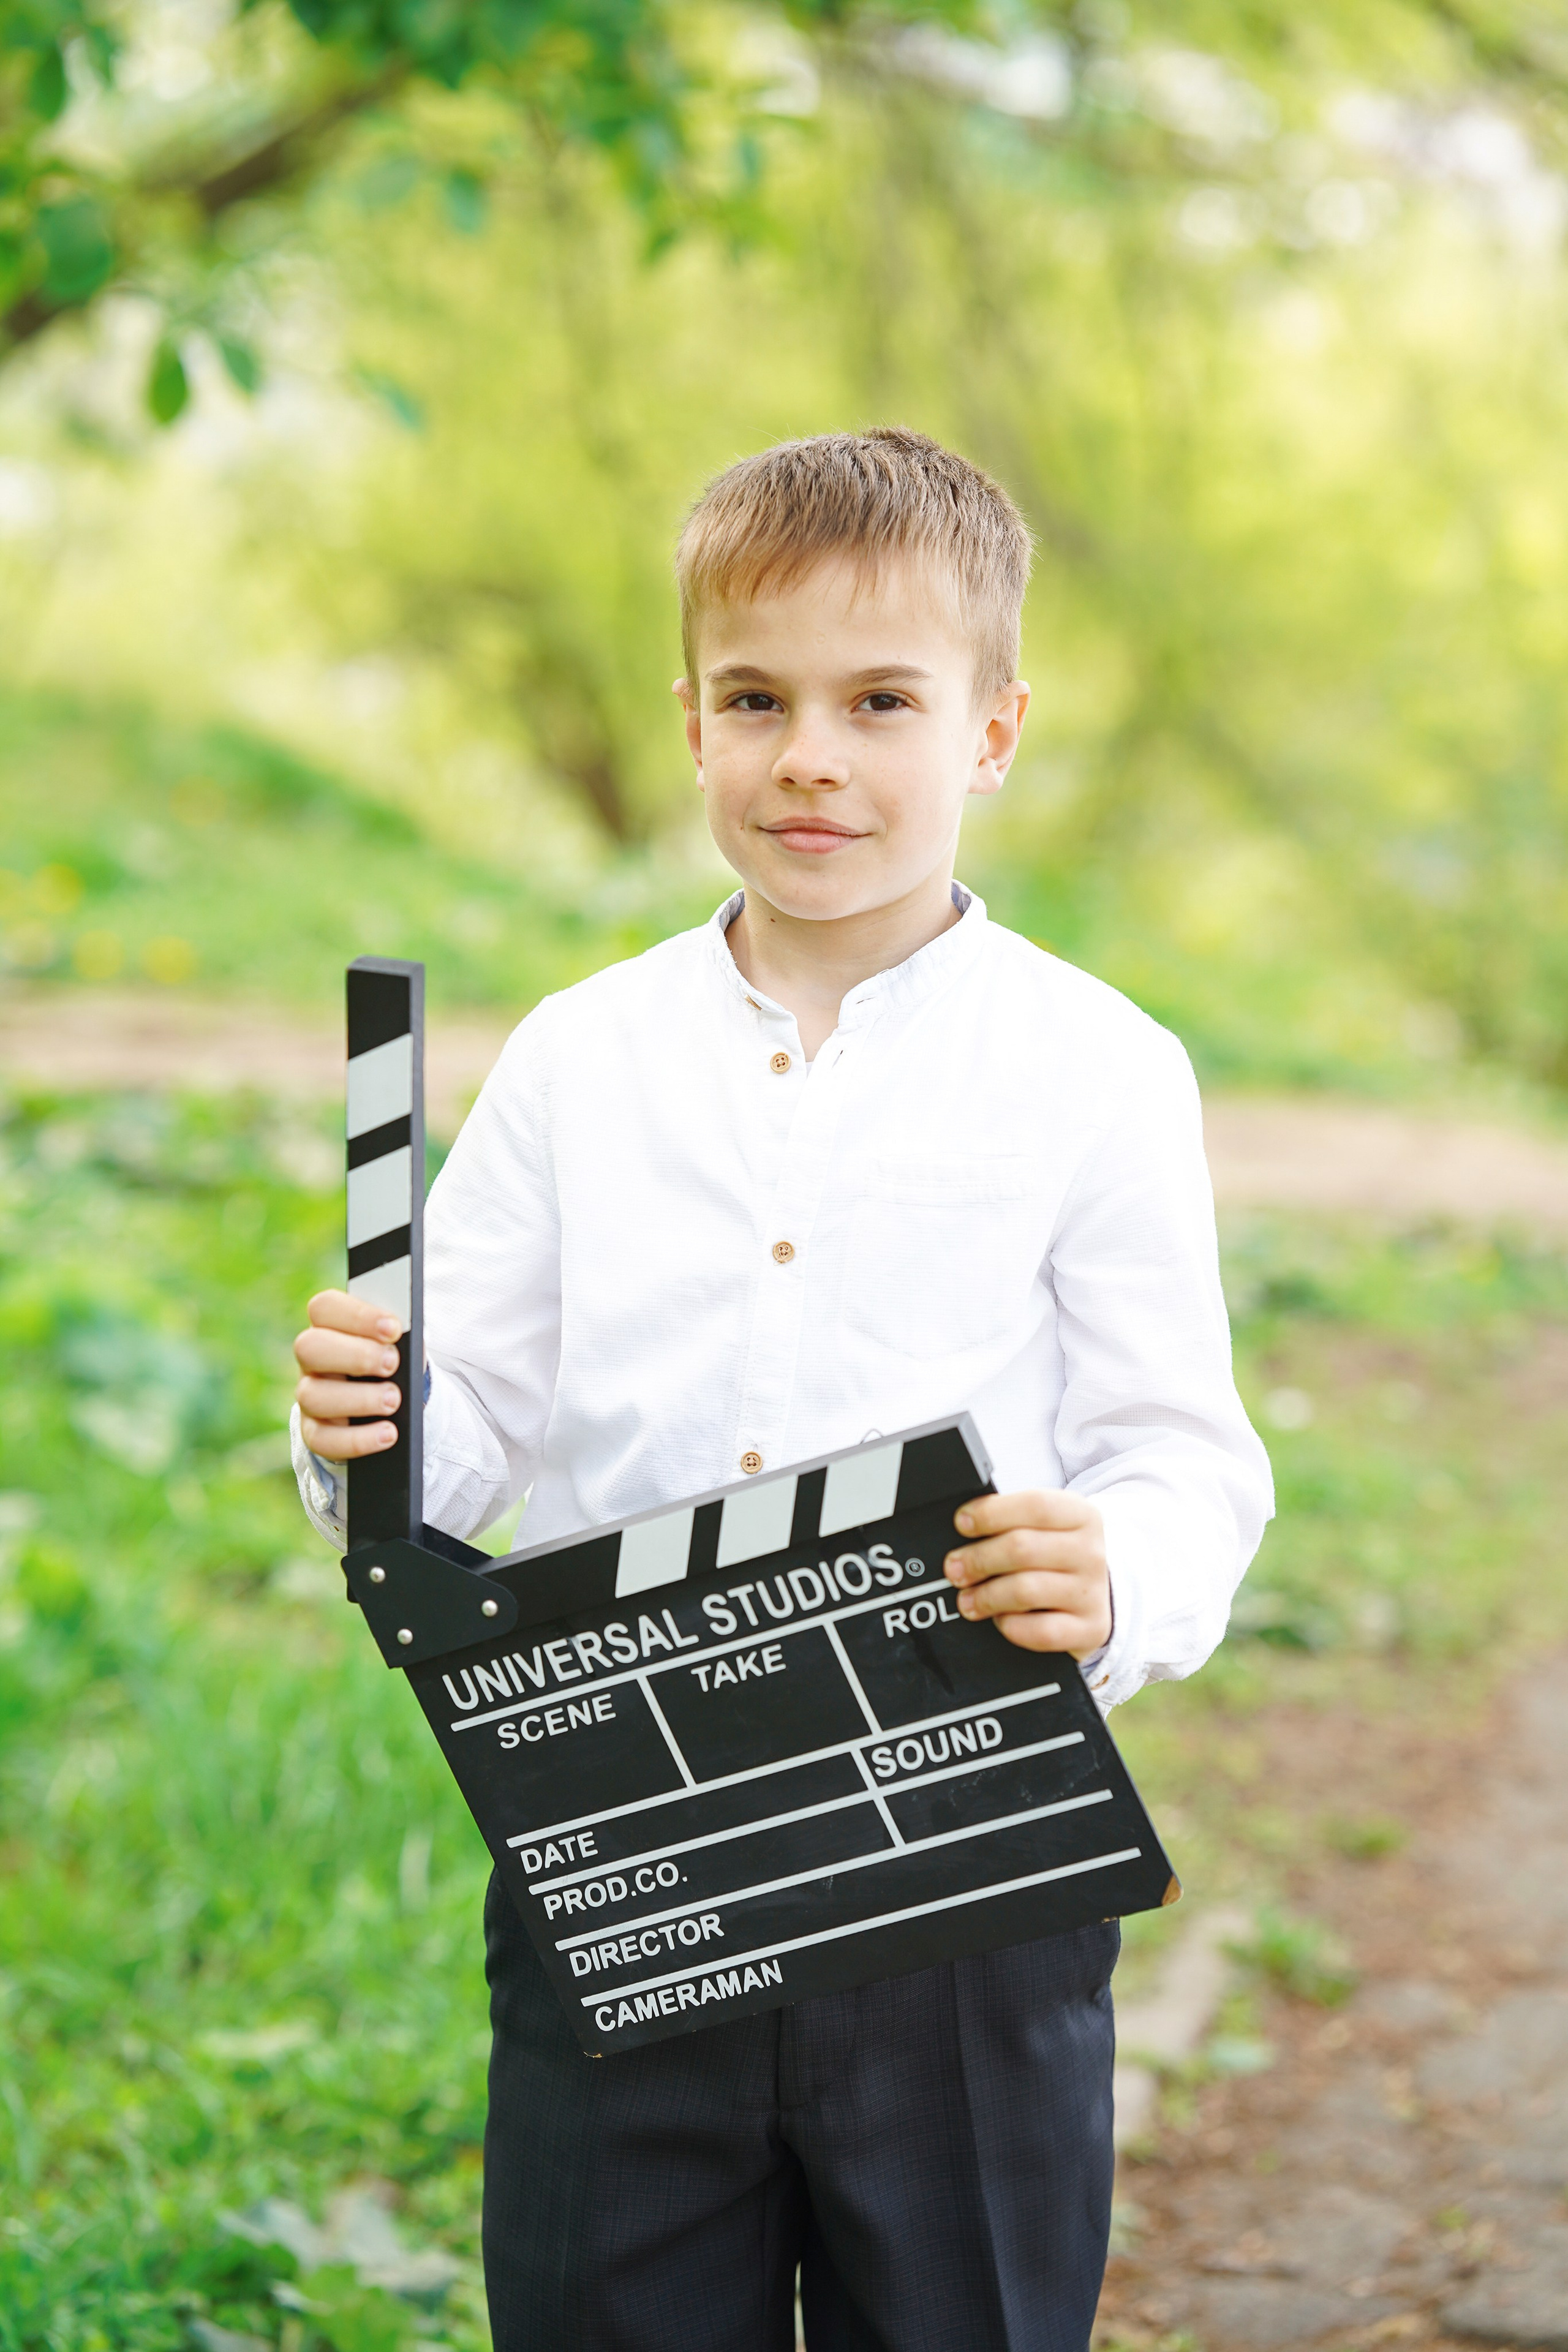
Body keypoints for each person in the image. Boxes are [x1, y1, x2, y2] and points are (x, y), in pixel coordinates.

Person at [290, 428, 1272, 2351]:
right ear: (691, 722)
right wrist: (366, 1428)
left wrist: (1122, 1573)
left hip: (964, 1853)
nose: (810, 755)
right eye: (758, 699)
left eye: (878, 701)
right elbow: (458, 1440)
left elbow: (1183, 1453)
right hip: (621, 1839)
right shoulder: (581, 1063)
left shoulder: (1099, 1068)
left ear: (992, 730)